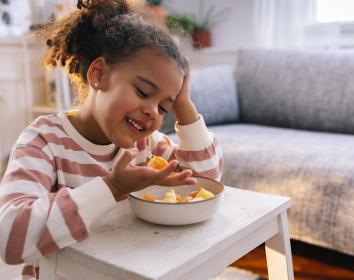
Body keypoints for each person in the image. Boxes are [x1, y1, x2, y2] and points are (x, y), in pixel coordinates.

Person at [0, 0, 223, 279]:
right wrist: (112, 187)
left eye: (163, 106)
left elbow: (206, 182)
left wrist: (184, 105)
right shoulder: (44, 141)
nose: (152, 112)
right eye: (143, 92)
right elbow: (9, 238)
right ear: (99, 74)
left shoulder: (147, 144)